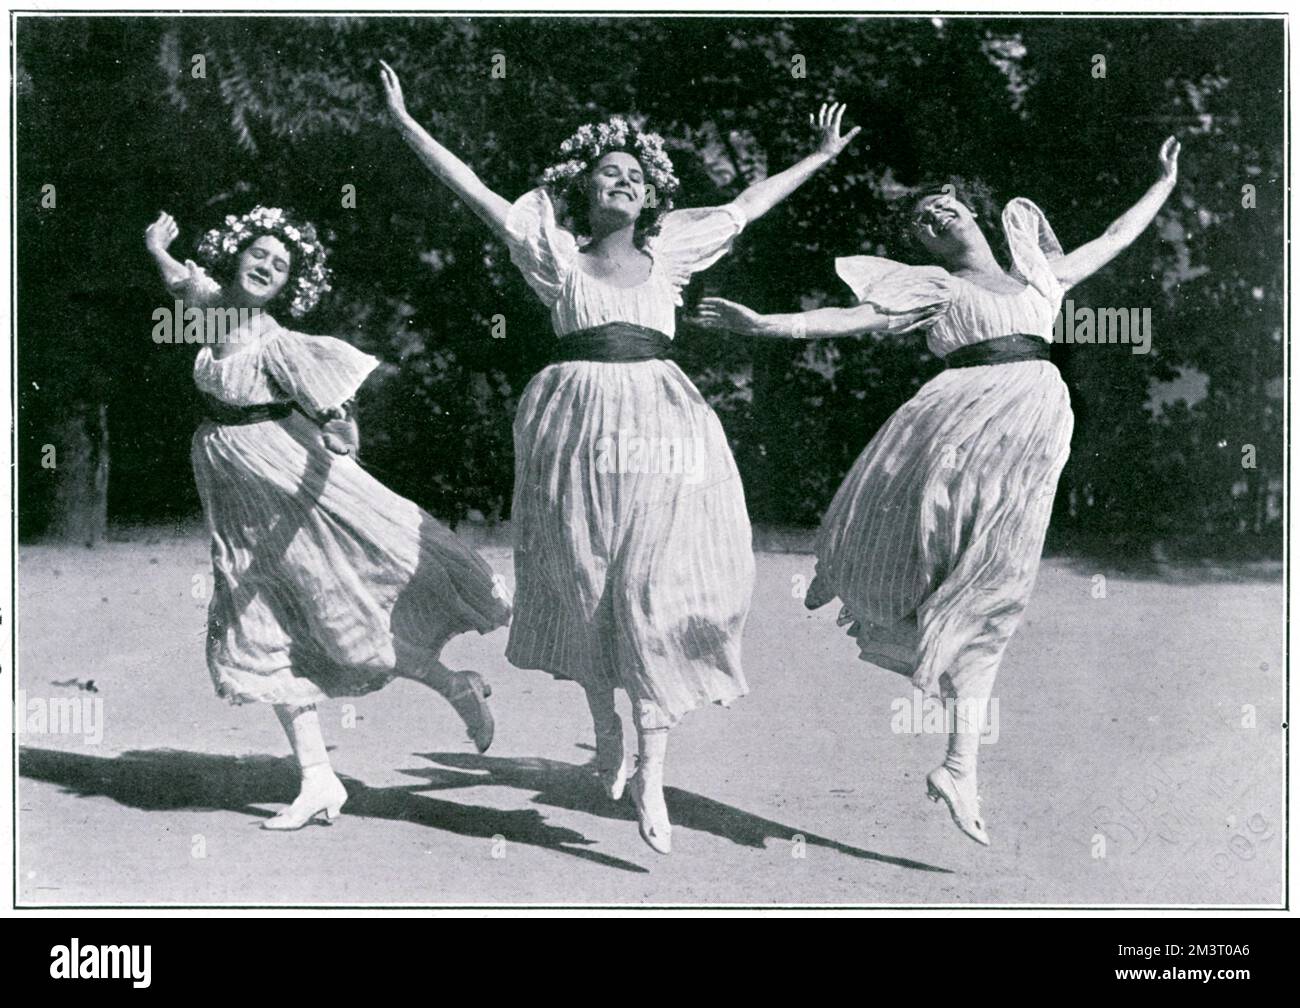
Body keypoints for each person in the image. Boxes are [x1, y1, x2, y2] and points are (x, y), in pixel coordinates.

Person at [380, 60, 859, 853]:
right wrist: (406, 125)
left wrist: (818, 157)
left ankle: (652, 770)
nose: (623, 182)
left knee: (651, 587)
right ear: (585, 188)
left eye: (636, 175)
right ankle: (605, 729)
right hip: (573, 425)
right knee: (588, 582)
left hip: (663, 423)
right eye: (609, 172)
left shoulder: (670, 255)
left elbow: (745, 207)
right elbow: (473, 190)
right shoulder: (556, 255)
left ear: (651, 194)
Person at [695, 137, 1181, 845]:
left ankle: (959, 766)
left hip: (1032, 435)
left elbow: (1115, 236)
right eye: (920, 220)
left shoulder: (1041, 278)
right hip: (955, 427)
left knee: (999, 592)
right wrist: (769, 325)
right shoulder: (932, 290)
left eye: (943, 206)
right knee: (943, 569)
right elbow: (857, 320)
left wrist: (1163, 183)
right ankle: (939, 687)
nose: (932, 218)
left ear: (974, 211)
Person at [144, 204, 511, 830]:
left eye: (281, 265)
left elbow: (333, 407)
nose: (266, 266)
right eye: (259, 253)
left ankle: (454, 686)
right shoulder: (212, 309)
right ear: (236, 256)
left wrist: (344, 431)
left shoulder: (279, 344)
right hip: (238, 502)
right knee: (263, 626)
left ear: (290, 285)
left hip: (295, 495)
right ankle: (319, 779)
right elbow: (183, 280)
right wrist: (155, 246)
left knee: (343, 622)